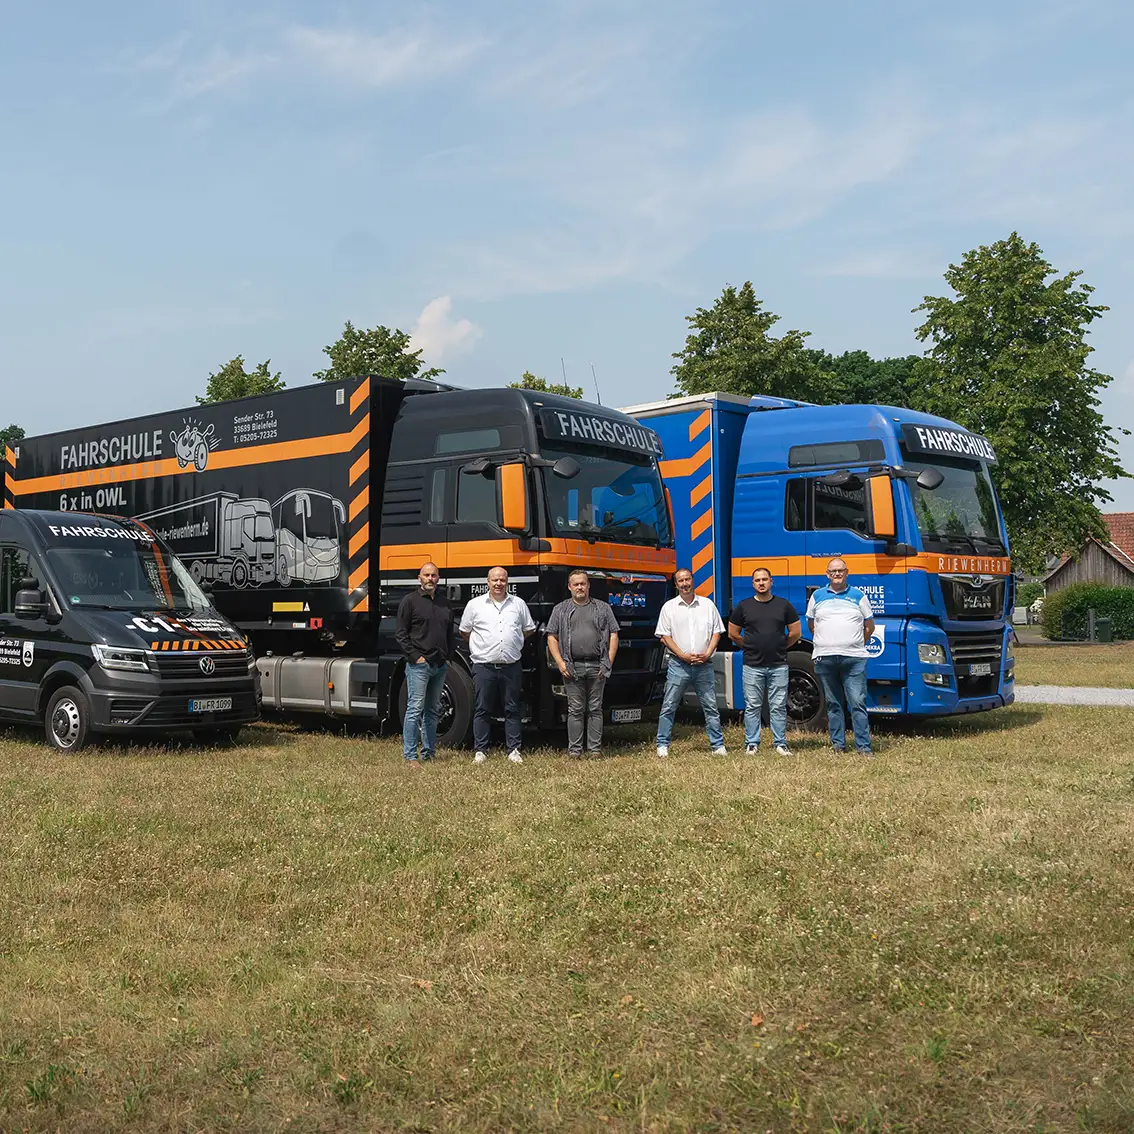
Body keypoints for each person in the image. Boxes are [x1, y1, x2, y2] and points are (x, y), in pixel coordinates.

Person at [459, 566, 536, 765]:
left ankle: (514, 750)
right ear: (488, 582)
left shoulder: (518, 604)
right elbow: (465, 631)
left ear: (507, 582)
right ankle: (480, 751)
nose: (498, 583)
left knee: (512, 709)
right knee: (482, 708)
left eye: (502, 580)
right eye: (495, 580)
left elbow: (528, 630)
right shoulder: (475, 605)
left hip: (511, 666)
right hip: (484, 666)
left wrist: (511, 642)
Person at [546, 570, 621, 758]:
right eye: (576, 584)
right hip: (572, 666)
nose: (580, 587)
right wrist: (560, 663)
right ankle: (575, 751)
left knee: (595, 708)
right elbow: (551, 637)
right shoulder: (560, 609)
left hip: (598, 665)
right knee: (575, 709)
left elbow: (613, 634)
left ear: (589, 585)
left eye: (583, 583)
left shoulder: (602, 608)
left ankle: (595, 750)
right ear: (569, 587)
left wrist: (608, 662)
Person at [727, 567, 801, 756]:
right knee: (753, 705)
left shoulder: (784, 605)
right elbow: (733, 633)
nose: (761, 583)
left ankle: (780, 743)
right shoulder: (743, 606)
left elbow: (795, 633)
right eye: (757, 580)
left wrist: (781, 646)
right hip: (752, 665)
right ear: (753, 584)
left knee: (777, 705)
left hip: (778, 664)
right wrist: (749, 645)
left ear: (771, 582)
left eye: (764, 579)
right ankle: (752, 743)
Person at [806, 558, 876, 755]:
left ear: (847, 573)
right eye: (833, 571)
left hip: (854, 659)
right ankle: (838, 746)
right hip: (825, 658)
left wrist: (853, 643)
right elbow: (812, 625)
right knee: (834, 704)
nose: (836, 574)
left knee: (857, 703)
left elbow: (869, 626)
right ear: (827, 574)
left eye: (840, 571)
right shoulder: (817, 596)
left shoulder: (858, 596)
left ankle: (863, 747)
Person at [654, 568, 726, 758]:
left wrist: (708, 653)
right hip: (679, 665)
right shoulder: (669, 607)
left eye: (687, 579)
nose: (685, 584)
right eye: (680, 581)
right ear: (676, 584)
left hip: (704, 664)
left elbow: (716, 632)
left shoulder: (707, 605)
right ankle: (662, 744)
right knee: (669, 705)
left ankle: (717, 745)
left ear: (693, 581)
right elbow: (665, 636)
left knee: (710, 706)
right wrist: (682, 655)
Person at [395, 561, 456, 769]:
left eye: (434, 575)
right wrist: (415, 657)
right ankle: (410, 756)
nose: (430, 579)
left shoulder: (444, 602)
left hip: (440, 665)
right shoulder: (409, 601)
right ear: (419, 578)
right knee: (415, 709)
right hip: (419, 665)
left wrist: (447, 657)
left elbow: (450, 632)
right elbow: (401, 634)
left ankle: (429, 752)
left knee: (432, 710)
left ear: (438, 579)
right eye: (426, 575)